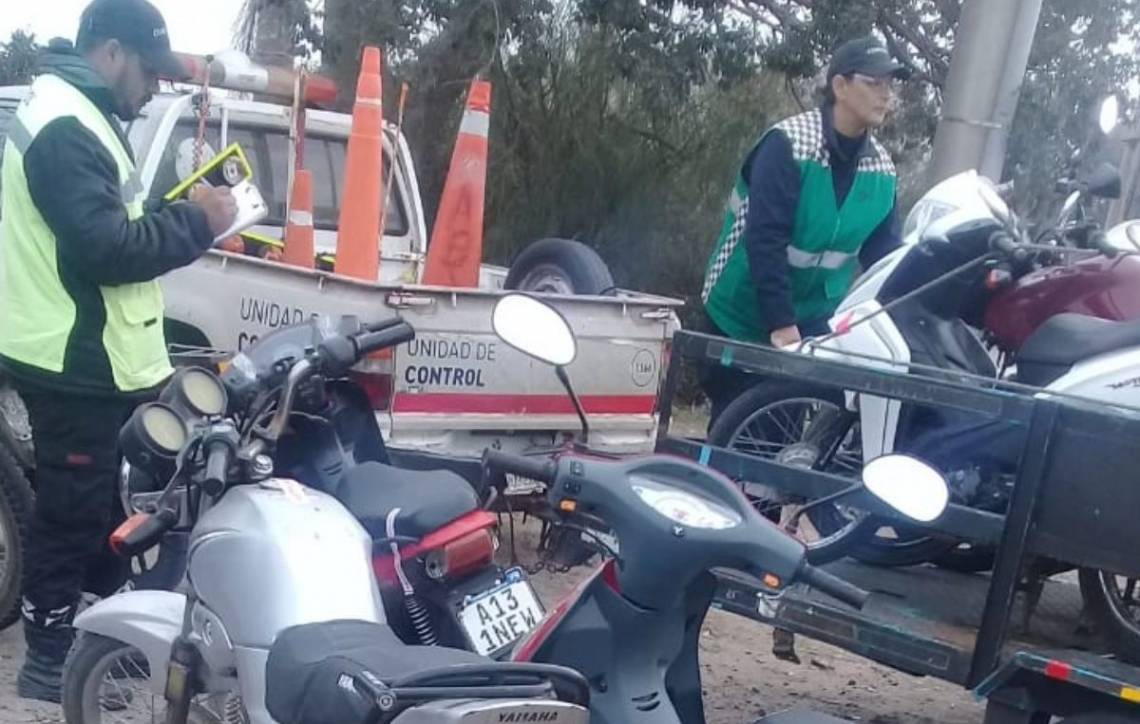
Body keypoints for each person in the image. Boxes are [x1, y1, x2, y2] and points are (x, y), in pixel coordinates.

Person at [0, 0, 237, 701]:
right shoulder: (65, 126)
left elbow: (110, 223)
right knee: (72, 512)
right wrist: (197, 223)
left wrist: (177, 207)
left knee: (105, 509)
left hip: (92, 354)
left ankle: (103, 641)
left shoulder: (76, 113)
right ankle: (47, 662)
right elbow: (106, 250)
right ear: (109, 54)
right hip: (73, 360)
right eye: (149, 70)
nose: (157, 86)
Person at [700, 35, 910, 422]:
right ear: (840, 86)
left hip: (813, 319)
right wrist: (781, 326)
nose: (885, 95)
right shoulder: (788, 146)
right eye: (874, 83)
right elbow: (765, 240)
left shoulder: (881, 170)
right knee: (735, 425)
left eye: (889, 85)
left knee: (786, 430)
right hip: (741, 311)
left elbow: (884, 254)